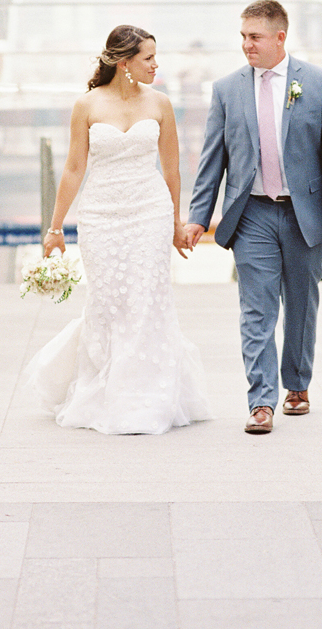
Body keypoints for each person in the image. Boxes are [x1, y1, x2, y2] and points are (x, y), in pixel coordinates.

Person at [27, 24, 211, 435]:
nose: (156, 65)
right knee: (110, 301)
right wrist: (54, 228)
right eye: (148, 58)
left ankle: (148, 396)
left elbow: (172, 169)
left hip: (150, 212)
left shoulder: (161, 104)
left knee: (146, 298)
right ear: (124, 63)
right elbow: (75, 168)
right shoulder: (87, 105)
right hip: (101, 216)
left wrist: (176, 223)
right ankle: (105, 388)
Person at [185, 0, 322, 435]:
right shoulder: (226, 89)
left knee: (300, 304)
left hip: (305, 215)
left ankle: (297, 384)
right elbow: (212, 161)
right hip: (252, 214)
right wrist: (198, 217)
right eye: (243, 36)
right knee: (256, 309)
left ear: (280, 37)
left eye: (254, 36)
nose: (247, 45)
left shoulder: (318, 84)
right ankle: (262, 401)